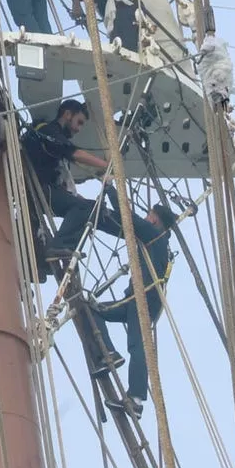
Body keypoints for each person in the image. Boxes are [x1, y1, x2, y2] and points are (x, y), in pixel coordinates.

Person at [90, 202, 177, 419]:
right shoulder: (160, 242)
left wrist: (111, 188)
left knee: (137, 345)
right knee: (93, 311)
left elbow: (127, 218)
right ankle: (110, 355)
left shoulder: (153, 234)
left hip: (142, 298)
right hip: (139, 299)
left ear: (155, 219)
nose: (147, 218)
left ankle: (135, 398)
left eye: (149, 215)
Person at [22, 99, 119, 259]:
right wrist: (107, 165)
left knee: (92, 207)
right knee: (85, 208)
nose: (79, 129)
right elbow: (75, 153)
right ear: (67, 114)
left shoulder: (49, 135)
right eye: (79, 122)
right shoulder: (48, 130)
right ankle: (61, 245)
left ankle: (54, 253)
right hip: (39, 189)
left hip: (46, 190)